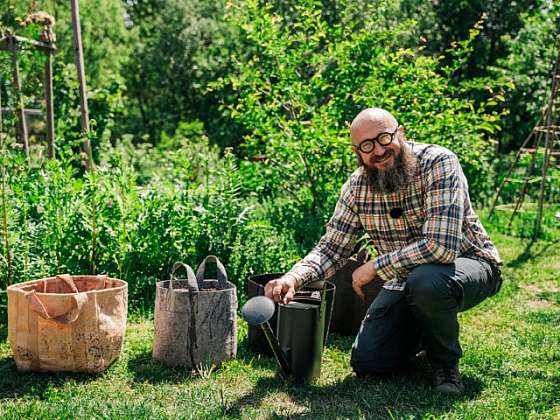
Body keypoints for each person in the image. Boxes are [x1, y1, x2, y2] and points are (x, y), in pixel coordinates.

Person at [264, 108, 502, 395]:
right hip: (405, 279)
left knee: (427, 281)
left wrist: (375, 266)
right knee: (369, 362)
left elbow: (440, 248)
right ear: (357, 151)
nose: (378, 150)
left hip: (469, 263)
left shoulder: (439, 162)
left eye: (384, 138)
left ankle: (445, 366)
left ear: (400, 133)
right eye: (367, 145)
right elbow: (332, 248)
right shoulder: (356, 188)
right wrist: (293, 278)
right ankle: (424, 332)